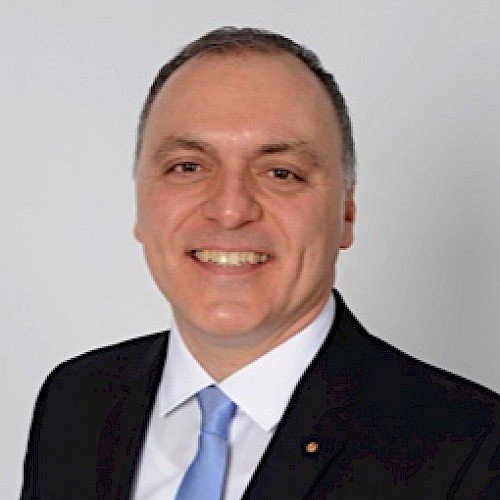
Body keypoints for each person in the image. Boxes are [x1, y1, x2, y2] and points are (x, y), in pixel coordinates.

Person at [21, 27, 499, 500]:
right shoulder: (77, 402)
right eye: (188, 166)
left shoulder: (471, 450)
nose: (230, 209)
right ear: (141, 203)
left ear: (346, 213)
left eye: (280, 173)